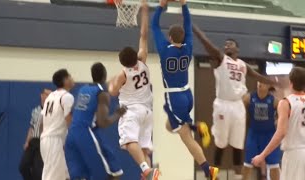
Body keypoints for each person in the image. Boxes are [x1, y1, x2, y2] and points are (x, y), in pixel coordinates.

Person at [192, 25, 278, 179]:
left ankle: (238, 176)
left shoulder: (243, 65)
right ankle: (214, 175)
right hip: (223, 104)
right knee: (221, 142)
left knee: (238, 143)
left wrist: (273, 82)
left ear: (237, 48)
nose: (227, 45)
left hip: (238, 105)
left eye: (230, 43)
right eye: (225, 44)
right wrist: (194, 28)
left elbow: (257, 76)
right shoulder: (221, 59)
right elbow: (206, 42)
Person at [151, 0, 218, 179]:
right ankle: (193, 126)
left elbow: (154, 25)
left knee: (186, 138)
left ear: (170, 38)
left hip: (174, 97)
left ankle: (207, 169)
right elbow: (188, 25)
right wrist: (184, 5)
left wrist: (161, 5)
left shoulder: (164, 49)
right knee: (169, 125)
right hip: (187, 94)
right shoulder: (188, 47)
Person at [108, 1, 159, 180]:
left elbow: (113, 92)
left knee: (129, 142)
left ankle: (146, 169)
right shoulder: (143, 61)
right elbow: (143, 35)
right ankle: (151, 173)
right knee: (144, 148)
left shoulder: (123, 74)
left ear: (122, 62)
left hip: (132, 110)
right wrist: (144, 11)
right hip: (147, 111)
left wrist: (111, 81)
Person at [65, 63, 126, 180]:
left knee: (80, 176)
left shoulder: (82, 89)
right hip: (85, 133)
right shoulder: (102, 94)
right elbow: (102, 123)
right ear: (104, 75)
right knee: (112, 173)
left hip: (71, 134)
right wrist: (118, 114)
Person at [252, 67, 305, 180]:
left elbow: (281, 133)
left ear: (290, 82)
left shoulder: (286, 103)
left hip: (294, 154)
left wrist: (262, 155)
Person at [40, 69, 75, 180]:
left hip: (47, 139)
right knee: (52, 177)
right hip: (54, 140)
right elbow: (69, 120)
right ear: (65, 80)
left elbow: (42, 120)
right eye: (70, 76)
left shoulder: (50, 96)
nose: (72, 78)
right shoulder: (67, 96)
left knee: (64, 175)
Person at [242, 82, 281, 180]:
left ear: (268, 86)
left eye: (263, 82)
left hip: (269, 135)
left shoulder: (274, 101)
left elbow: (283, 115)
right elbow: (239, 110)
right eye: (258, 81)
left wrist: (278, 121)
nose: (260, 84)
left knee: (274, 165)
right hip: (253, 135)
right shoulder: (248, 98)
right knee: (247, 164)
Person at [19, 89, 51, 180]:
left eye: (49, 95)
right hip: (33, 141)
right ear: (41, 95)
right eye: (45, 94)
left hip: (44, 142)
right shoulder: (35, 110)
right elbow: (32, 127)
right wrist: (27, 141)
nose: (47, 97)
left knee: (38, 170)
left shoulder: (52, 111)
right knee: (23, 166)